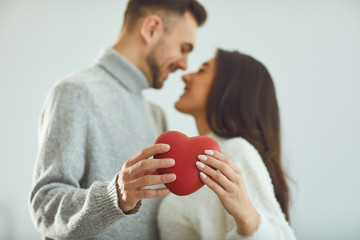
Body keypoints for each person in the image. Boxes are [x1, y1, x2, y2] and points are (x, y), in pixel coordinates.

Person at [29, 0, 207, 239]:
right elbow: (45, 208)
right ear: (151, 28)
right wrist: (116, 196)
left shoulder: (156, 114)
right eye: (184, 48)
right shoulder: (76, 91)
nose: (184, 65)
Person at [157, 49, 297, 239]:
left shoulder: (235, 152)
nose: (186, 76)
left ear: (229, 87)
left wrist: (246, 217)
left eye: (201, 70)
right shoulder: (205, 157)